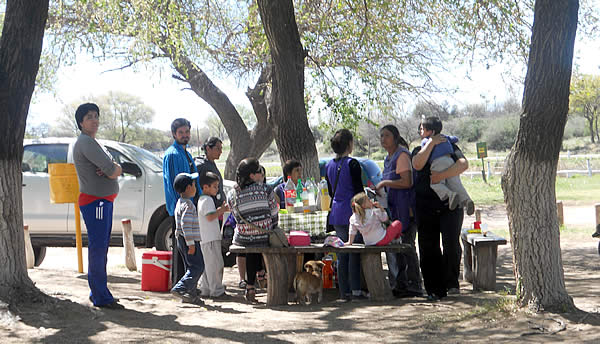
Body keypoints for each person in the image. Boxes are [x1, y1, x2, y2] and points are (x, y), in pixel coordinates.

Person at [72, 103, 124, 309]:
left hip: (102, 201)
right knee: (98, 248)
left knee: (100, 247)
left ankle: (99, 293)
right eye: (89, 117)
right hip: (96, 203)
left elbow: (112, 166)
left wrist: (112, 168)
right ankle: (101, 296)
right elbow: (113, 169)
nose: (94, 120)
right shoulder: (85, 142)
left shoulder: (94, 142)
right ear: (81, 122)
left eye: (96, 116)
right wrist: (113, 168)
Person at [412, 122, 469, 301]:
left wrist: (440, 176)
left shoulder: (450, 146)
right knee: (428, 247)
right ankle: (433, 288)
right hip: (426, 206)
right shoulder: (418, 149)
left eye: (424, 128)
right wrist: (431, 144)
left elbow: (463, 164)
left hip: (450, 206)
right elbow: (418, 165)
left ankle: (451, 283)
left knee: (451, 245)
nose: (421, 131)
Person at [375, 124, 423, 297]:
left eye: (386, 135)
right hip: (393, 209)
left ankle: (414, 284)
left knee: (407, 246)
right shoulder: (388, 158)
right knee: (396, 248)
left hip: (405, 209)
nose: (383, 139)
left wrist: (385, 183)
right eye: (381, 136)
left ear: (395, 137)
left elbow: (406, 182)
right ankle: (399, 284)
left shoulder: (402, 155)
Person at [227, 158, 278, 302]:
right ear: (252, 176)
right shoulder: (266, 189)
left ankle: (250, 285)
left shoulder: (232, 193)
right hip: (263, 236)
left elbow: (235, 216)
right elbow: (274, 213)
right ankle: (261, 273)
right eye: (258, 172)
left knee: (250, 241)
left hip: (243, 237)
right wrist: (272, 228)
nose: (260, 174)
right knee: (259, 239)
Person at [325, 129, 366, 302]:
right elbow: (359, 191)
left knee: (342, 253)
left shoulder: (328, 165)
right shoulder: (353, 164)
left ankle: (344, 291)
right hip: (352, 211)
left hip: (336, 212)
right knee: (354, 251)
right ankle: (356, 289)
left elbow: (330, 189)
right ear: (349, 144)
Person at [163, 118, 202, 287]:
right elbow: (174, 183)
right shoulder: (172, 154)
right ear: (174, 134)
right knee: (183, 250)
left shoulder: (185, 152)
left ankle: (188, 287)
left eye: (187, 132)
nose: (185, 135)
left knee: (189, 250)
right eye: (181, 133)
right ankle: (180, 286)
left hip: (190, 204)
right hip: (181, 208)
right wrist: (181, 205)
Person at [420, 117, 475, 215]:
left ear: (431, 132)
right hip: (450, 161)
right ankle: (467, 200)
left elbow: (422, 155)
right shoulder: (445, 137)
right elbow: (455, 139)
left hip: (437, 162)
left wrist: (430, 142)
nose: (421, 132)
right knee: (456, 184)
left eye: (422, 129)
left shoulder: (426, 141)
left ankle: (450, 195)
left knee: (436, 183)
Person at [170, 172, 204, 304]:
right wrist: (191, 244)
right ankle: (180, 288)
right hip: (189, 240)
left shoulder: (180, 202)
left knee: (190, 267)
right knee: (197, 267)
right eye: (194, 185)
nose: (196, 187)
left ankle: (190, 294)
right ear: (189, 188)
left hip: (181, 240)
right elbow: (186, 225)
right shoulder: (189, 205)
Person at [197, 172, 230, 298]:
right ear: (206, 187)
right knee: (215, 265)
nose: (217, 189)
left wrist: (220, 210)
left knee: (208, 266)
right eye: (215, 186)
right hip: (210, 239)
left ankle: (205, 289)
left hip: (206, 238)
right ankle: (217, 291)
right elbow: (210, 216)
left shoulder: (203, 200)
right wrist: (222, 210)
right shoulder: (207, 200)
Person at [195, 137, 226, 209]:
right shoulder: (201, 165)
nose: (221, 151)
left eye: (221, 148)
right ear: (208, 148)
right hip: (209, 210)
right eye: (218, 148)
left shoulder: (211, 162)